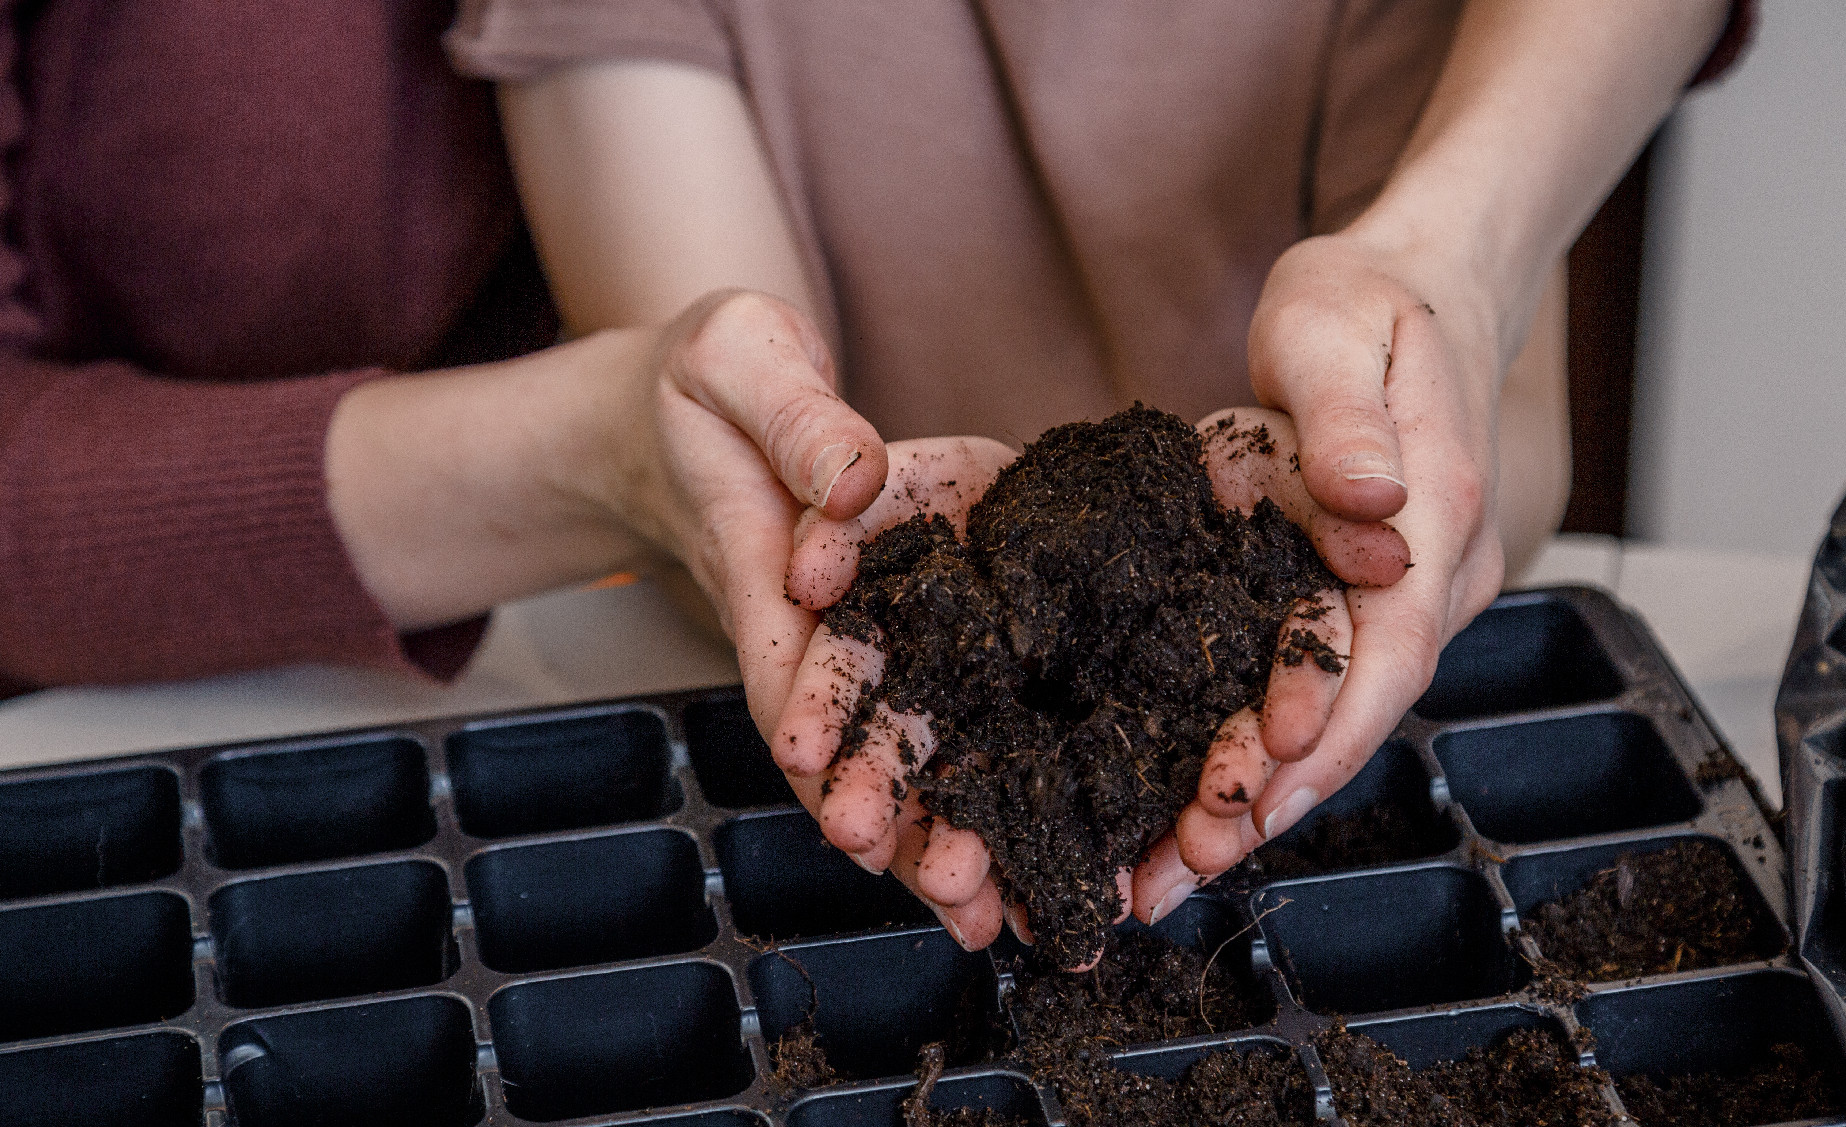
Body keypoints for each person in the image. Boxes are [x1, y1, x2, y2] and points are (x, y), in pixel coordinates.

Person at [0, 0, 1744, 947]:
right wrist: (686, 452)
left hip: (1364, 732)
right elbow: (742, 374)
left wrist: (1447, 273)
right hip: (773, 721)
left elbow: (1476, 409)